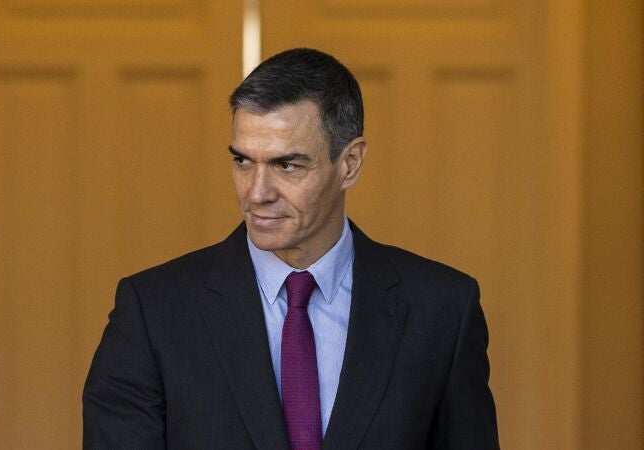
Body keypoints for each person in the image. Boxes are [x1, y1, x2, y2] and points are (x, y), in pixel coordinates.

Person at [83, 48, 499, 449]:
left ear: (350, 163)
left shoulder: (442, 310)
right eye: (243, 162)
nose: (256, 193)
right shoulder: (153, 312)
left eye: (287, 165)